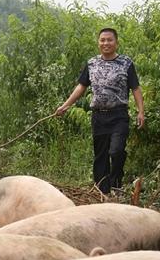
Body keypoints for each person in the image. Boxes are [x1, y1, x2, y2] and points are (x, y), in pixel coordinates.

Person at [55, 28, 145, 195]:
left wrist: (141, 111)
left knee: (116, 151)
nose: (106, 43)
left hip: (119, 115)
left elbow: (136, 88)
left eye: (109, 40)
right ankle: (102, 192)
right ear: (98, 43)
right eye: (102, 40)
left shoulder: (126, 63)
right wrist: (66, 105)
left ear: (116, 43)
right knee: (101, 156)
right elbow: (81, 86)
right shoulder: (92, 63)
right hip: (98, 116)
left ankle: (116, 185)